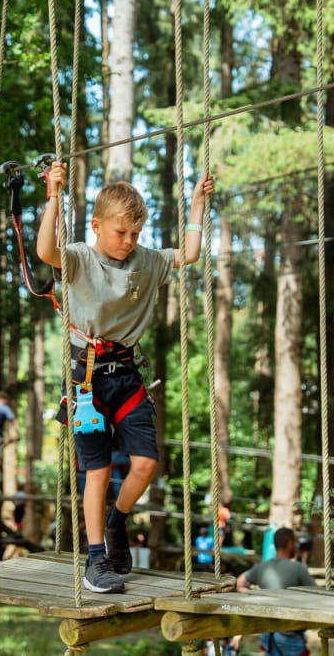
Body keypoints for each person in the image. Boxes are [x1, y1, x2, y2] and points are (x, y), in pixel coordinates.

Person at [37, 161, 214, 593]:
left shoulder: (146, 261)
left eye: (135, 233)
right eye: (121, 233)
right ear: (97, 225)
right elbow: (45, 252)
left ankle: (117, 522)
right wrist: (54, 197)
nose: (129, 241)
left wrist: (196, 206)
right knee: (96, 471)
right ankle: (96, 560)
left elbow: (188, 254)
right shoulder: (79, 258)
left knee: (146, 462)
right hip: (87, 380)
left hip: (128, 376)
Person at [236, 527, 316, 656]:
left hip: (267, 631)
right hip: (289, 632)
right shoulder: (297, 568)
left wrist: (256, 598)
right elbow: (317, 595)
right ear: (290, 543)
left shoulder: (262, 567)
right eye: (294, 543)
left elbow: (240, 583)